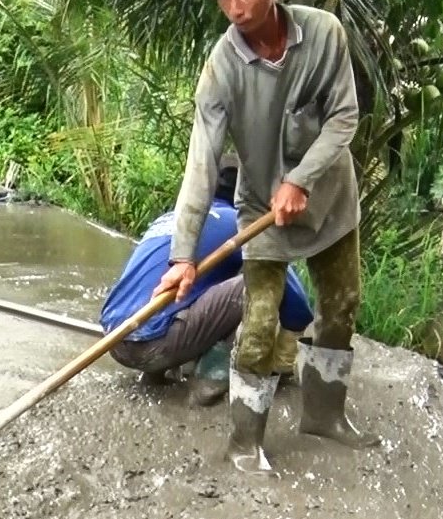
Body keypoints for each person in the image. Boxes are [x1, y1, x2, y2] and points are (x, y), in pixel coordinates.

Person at [157, 0, 372, 474]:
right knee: (257, 322)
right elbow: (202, 162)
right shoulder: (221, 68)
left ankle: (325, 415)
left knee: (341, 305)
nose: (235, 8)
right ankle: (243, 442)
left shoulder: (324, 33)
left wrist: (301, 179)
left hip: (330, 200)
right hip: (261, 211)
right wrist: (183, 256)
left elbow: (344, 117)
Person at [102, 158, 312, 405]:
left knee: (184, 283)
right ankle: (208, 386)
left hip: (113, 338)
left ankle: (154, 376)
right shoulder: (239, 223)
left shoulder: (174, 217)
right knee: (260, 283)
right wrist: (286, 354)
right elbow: (295, 302)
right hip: (153, 345)